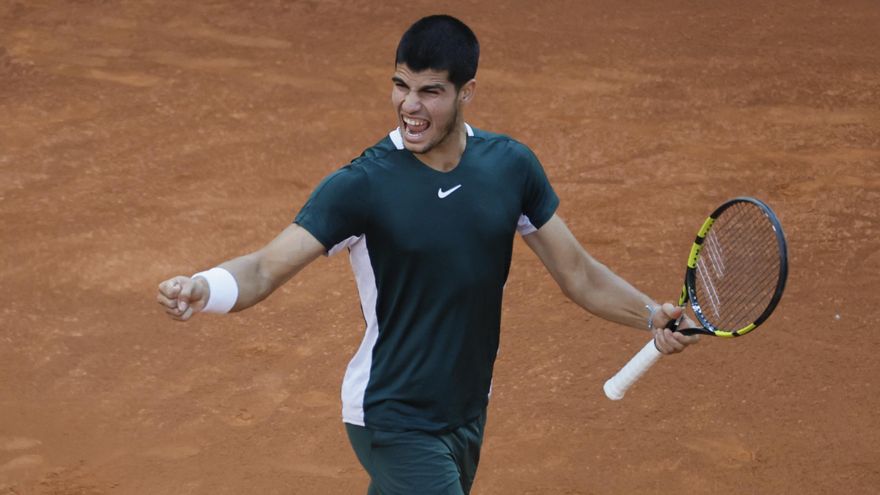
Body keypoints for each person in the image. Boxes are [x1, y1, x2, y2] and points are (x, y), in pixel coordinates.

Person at [157, 14, 698, 495]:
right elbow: (264, 267)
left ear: (467, 93)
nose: (409, 107)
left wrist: (651, 314)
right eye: (400, 85)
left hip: (466, 410)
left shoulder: (510, 168)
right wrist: (204, 287)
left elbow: (578, 273)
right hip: (391, 415)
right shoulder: (363, 184)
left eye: (430, 92)